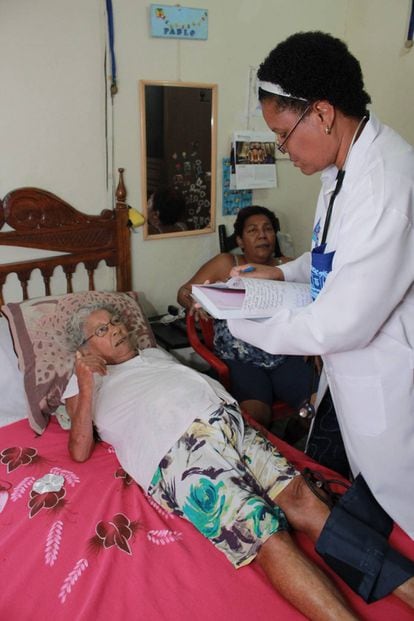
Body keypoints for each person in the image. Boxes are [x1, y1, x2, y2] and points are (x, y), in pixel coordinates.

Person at [63, 304, 414, 617]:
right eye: (102, 331)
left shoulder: (154, 354)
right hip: (178, 450)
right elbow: (78, 450)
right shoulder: (81, 383)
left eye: (116, 321)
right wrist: (86, 383)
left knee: (305, 500)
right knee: (264, 534)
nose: (117, 330)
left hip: (228, 424)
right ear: (85, 348)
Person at [226, 32, 414, 547]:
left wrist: (247, 320)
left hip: (388, 376)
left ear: (323, 114)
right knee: (367, 486)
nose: (284, 151)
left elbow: (343, 323)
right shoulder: (343, 165)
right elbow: (330, 250)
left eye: (284, 136)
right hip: (350, 375)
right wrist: (281, 275)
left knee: (403, 501)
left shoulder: (383, 187)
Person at [178, 205, 318, 441]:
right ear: (241, 240)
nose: (262, 235)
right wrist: (192, 300)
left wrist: (314, 346)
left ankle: (294, 434)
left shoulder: (287, 266)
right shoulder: (226, 263)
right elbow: (184, 291)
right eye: (252, 230)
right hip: (240, 358)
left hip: (283, 352)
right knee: (255, 416)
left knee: (317, 407)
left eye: (268, 229)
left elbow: (314, 303)